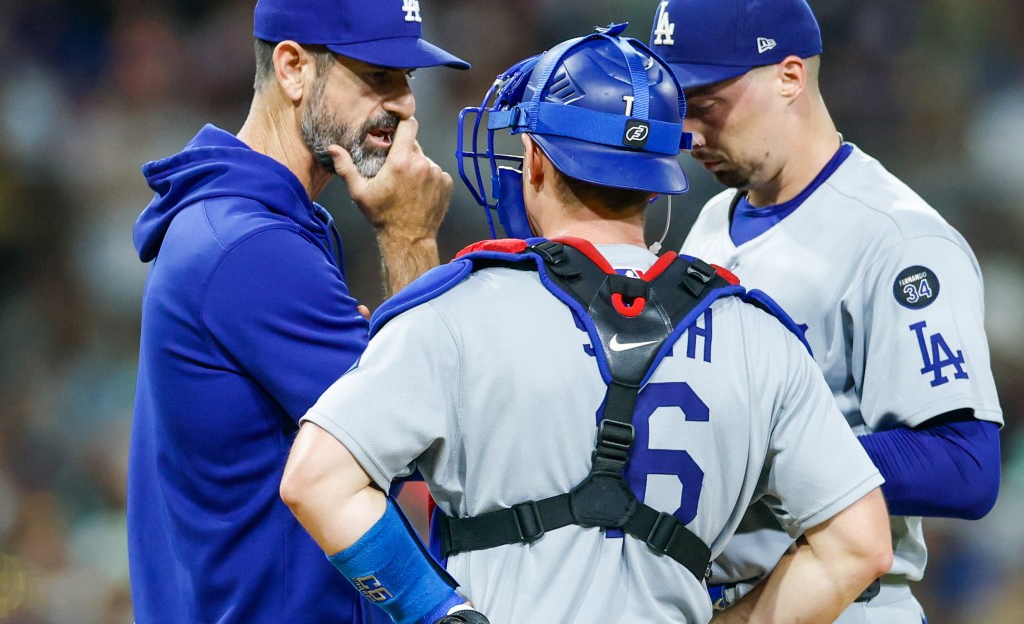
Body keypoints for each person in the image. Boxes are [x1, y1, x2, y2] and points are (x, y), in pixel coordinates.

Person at [280, 25, 892, 624]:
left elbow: (315, 480)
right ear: (657, 181)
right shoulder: (758, 333)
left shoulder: (456, 310)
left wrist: (438, 612)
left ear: (536, 161)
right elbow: (860, 546)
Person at [648, 0, 1004, 621]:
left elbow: (964, 464)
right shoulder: (712, 219)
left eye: (706, 103)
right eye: (677, 105)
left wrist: (764, 453)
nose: (690, 133)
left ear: (789, 76)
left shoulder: (898, 238)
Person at [126, 0, 468, 622]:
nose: (404, 104)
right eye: (378, 76)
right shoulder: (252, 247)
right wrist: (410, 237)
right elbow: (421, 444)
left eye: (407, 78)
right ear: (292, 68)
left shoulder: (254, 222)